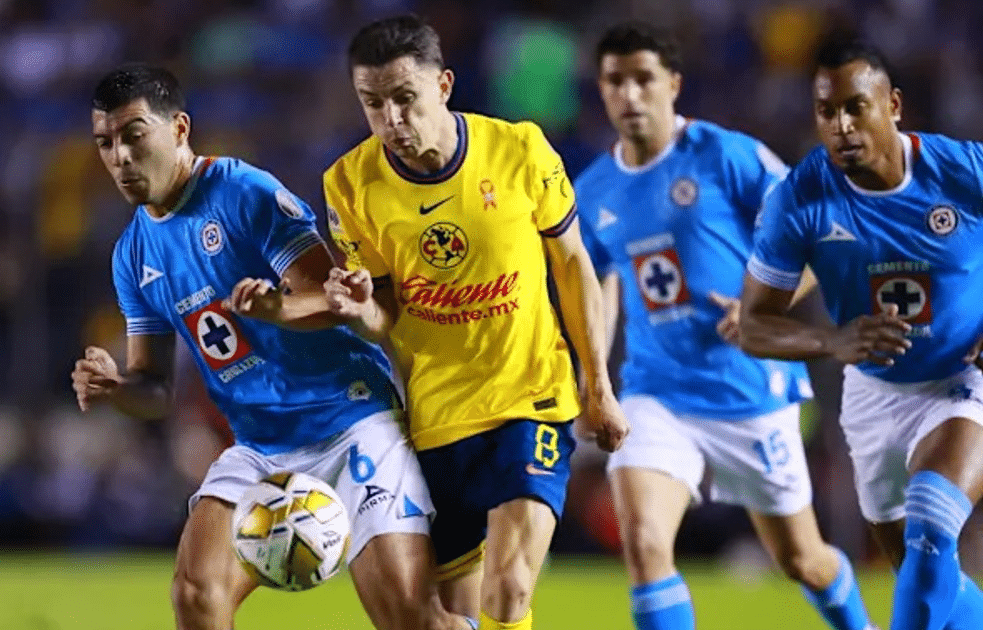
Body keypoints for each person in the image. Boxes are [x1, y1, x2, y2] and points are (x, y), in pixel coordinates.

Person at [72, 63, 474, 630]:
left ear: (179, 129)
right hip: (261, 446)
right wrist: (118, 388)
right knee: (197, 593)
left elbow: (331, 298)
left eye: (134, 135)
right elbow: (155, 389)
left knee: (409, 617)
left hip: (351, 419)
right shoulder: (132, 255)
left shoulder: (242, 192)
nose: (119, 156)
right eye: (106, 142)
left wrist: (275, 310)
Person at [319, 15, 629, 630]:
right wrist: (360, 312)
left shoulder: (519, 149)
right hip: (436, 414)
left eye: (404, 99)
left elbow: (573, 267)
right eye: (372, 103)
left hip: (530, 397)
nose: (391, 121)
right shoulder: (349, 184)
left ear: (443, 86)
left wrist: (598, 386)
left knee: (509, 589)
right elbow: (385, 315)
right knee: (452, 615)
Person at [572, 21, 876, 630]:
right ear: (601, 90)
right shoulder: (592, 188)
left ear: (673, 84)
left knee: (801, 560)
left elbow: (815, 236)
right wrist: (595, 377)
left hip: (748, 391)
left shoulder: (723, 154)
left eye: (643, 79)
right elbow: (598, 283)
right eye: (615, 81)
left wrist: (763, 305)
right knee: (643, 540)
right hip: (657, 392)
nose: (629, 94)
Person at [741, 34, 983, 630]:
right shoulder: (800, 199)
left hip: (961, 379)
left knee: (931, 527)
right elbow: (753, 324)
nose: (842, 125)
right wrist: (831, 340)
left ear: (893, 105)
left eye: (856, 107)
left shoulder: (963, 171)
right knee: (925, 572)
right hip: (873, 394)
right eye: (827, 111)